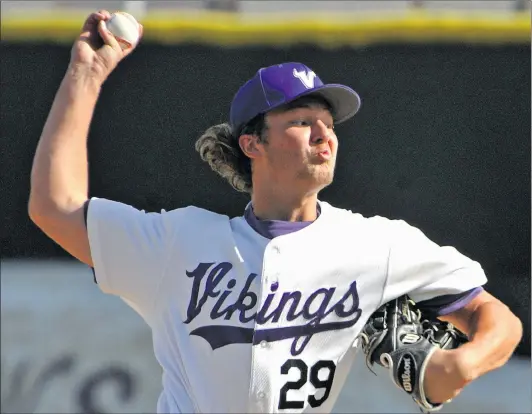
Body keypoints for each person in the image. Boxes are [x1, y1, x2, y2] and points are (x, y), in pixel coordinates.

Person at [28, 10, 522, 414]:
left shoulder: (377, 246)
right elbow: (54, 207)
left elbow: (493, 315)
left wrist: (464, 363)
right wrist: (86, 75)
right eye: (302, 120)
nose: (324, 134)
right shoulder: (179, 243)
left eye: (328, 124)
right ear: (252, 143)